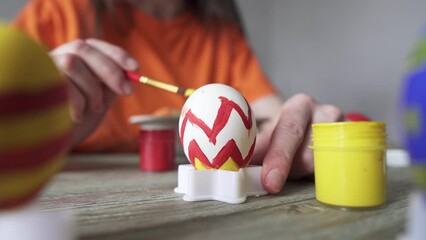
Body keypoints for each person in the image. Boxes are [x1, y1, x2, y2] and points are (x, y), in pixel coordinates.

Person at [14, 0, 343, 194]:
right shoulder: (57, 14)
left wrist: (297, 128)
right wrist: (32, 122)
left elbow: (271, 119)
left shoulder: (220, 34)